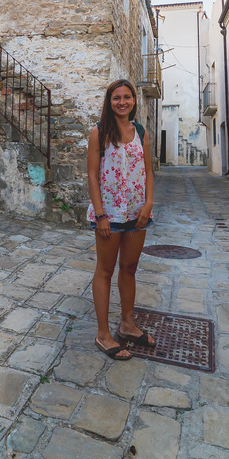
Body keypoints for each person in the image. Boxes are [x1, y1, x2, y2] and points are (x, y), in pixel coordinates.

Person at [87, 79, 156, 360]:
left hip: (137, 213)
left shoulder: (140, 132)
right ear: (109, 101)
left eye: (127, 97)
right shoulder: (99, 132)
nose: (122, 102)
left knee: (129, 268)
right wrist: (100, 214)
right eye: (117, 98)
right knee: (105, 270)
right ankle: (103, 335)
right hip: (110, 215)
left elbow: (148, 171)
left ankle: (127, 325)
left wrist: (148, 204)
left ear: (134, 101)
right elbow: (92, 175)